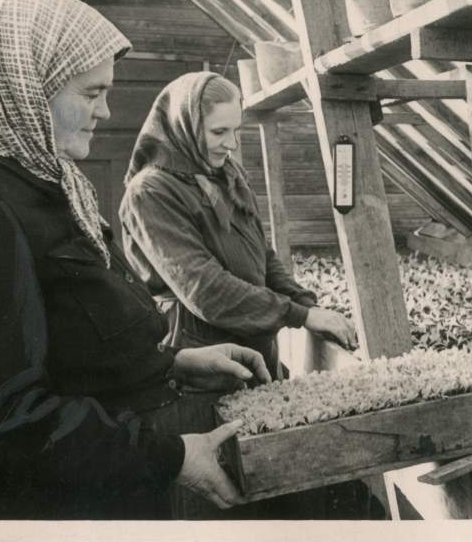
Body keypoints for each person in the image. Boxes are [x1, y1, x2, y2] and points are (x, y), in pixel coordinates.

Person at [0, 0, 270, 520]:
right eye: (91, 92)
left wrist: (170, 364)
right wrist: (169, 456)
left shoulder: (28, 174)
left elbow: (66, 338)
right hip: (34, 511)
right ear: (26, 87)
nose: (105, 112)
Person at [119, 72, 358, 380]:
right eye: (218, 132)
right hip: (200, 353)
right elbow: (206, 289)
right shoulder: (151, 192)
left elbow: (263, 254)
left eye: (236, 131)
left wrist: (306, 303)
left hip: (254, 341)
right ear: (185, 126)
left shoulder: (226, 174)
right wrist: (300, 316)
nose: (230, 144)